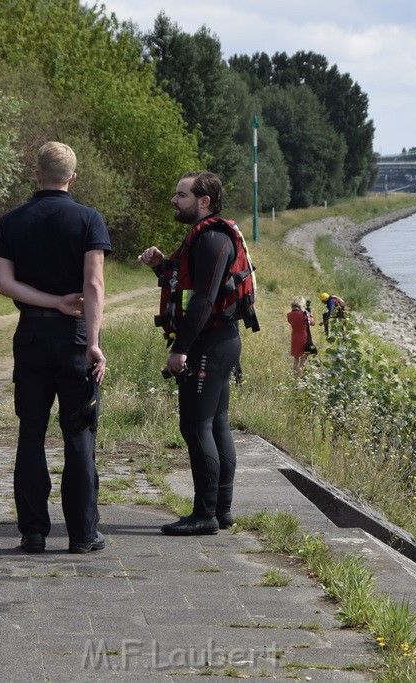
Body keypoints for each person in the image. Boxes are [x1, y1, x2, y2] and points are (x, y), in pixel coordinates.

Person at [0, 141, 110, 554]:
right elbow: (93, 285)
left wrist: (47, 301)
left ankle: (34, 531)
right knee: (78, 435)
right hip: (75, 337)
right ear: (72, 178)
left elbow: (5, 284)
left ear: (36, 174)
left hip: (31, 336)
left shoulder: (12, 221)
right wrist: (93, 341)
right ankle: (81, 534)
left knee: (31, 432)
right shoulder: (88, 220)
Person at [139, 171, 248, 536]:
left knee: (196, 426)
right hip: (218, 341)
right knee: (215, 424)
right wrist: (161, 266)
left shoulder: (213, 238)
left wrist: (180, 349)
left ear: (204, 201)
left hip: (209, 343)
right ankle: (222, 510)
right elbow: (189, 285)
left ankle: (205, 514)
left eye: (181, 194)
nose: (174, 199)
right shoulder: (204, 238)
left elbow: (203, 299)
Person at [286, 296, 315, 376]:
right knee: (302, 361)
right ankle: (299, 378)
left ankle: (295, 377)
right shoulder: (303, 314)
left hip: (294, 337)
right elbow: (312, 323)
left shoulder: (289, 315)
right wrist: (311, 314)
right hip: (304, 338)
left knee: (296, 360)